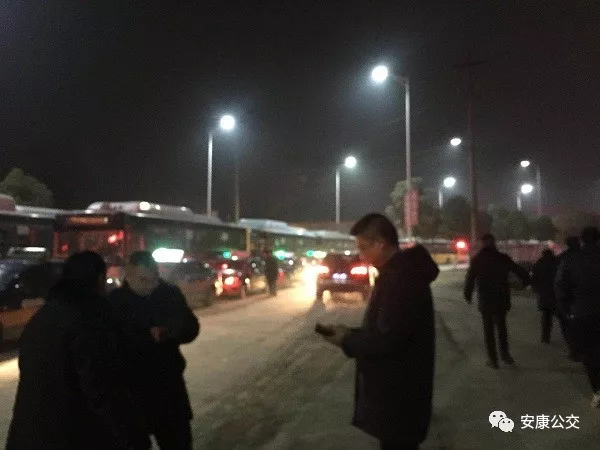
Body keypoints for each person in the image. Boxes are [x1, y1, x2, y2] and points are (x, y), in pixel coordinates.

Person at [319, 213, 439, 450]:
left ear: (381, 243)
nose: (361, 256)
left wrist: (347, 340)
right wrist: (350, 333)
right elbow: (388, 328)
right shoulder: (400, 273)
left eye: (363, 248)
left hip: (399, 396)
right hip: (403, 394)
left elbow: (387, 340)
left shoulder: (400, 279)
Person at [7, 251, 149, 450]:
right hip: (73, 435)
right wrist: (131, 437)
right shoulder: (89, 319)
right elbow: (100, 388)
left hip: (29, 434)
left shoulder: (44, 316)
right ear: (99, 280)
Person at [109, 251, 200, 450]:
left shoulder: (169, 294)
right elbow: (109, 345)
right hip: (132, 393)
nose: (150, 285)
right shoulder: (114, 302)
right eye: (143, 280)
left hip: (169, 389)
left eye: (154, 279)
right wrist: (144, 336)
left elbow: (191, 328)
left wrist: (171, 331)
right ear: (128, 275)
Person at [464, 233, 530, 369]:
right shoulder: (502, 258)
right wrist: (526, 282)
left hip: (486, 300)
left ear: (482, 243)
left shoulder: (478, 259)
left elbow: (470, 279)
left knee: (488, 330)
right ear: (494, 243)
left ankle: (493, 360)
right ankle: (505, 355)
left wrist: (468, 294)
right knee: (501, 328)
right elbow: (518, 270)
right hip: (501, 298)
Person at [555, 226, 600, 408]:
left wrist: (567, 310)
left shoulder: (571, 259)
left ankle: (597, 390)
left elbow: (560, 285)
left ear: (581, 240)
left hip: (582, 313)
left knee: (589, 353)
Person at [531, 249, 566, 344]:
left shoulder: (539, 263)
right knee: (561, 315)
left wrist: (536, 289)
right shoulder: (557, 262)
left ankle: (545, 337)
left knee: (546, 316)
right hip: (556, 293)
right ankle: (566, 335)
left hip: (544, 293)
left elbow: (534, 278)